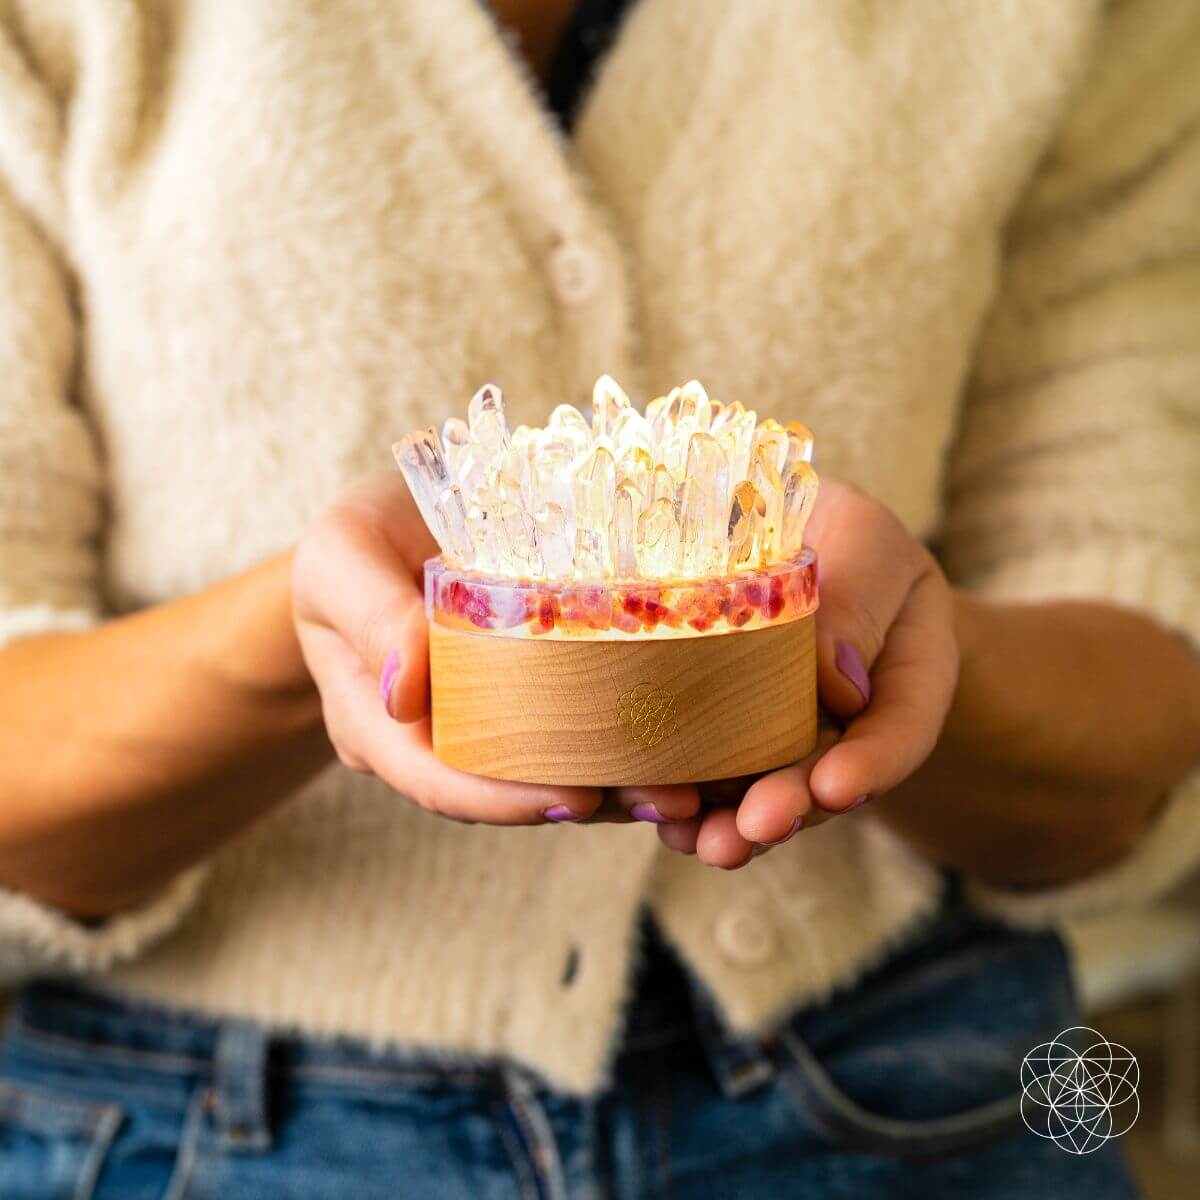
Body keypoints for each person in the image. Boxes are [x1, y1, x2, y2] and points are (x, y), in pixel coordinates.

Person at [0, 1, 1197, 1195]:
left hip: (922, 1082)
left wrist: (893, 657)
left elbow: (1133, 702)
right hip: (197, 1124)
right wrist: (329, 634)